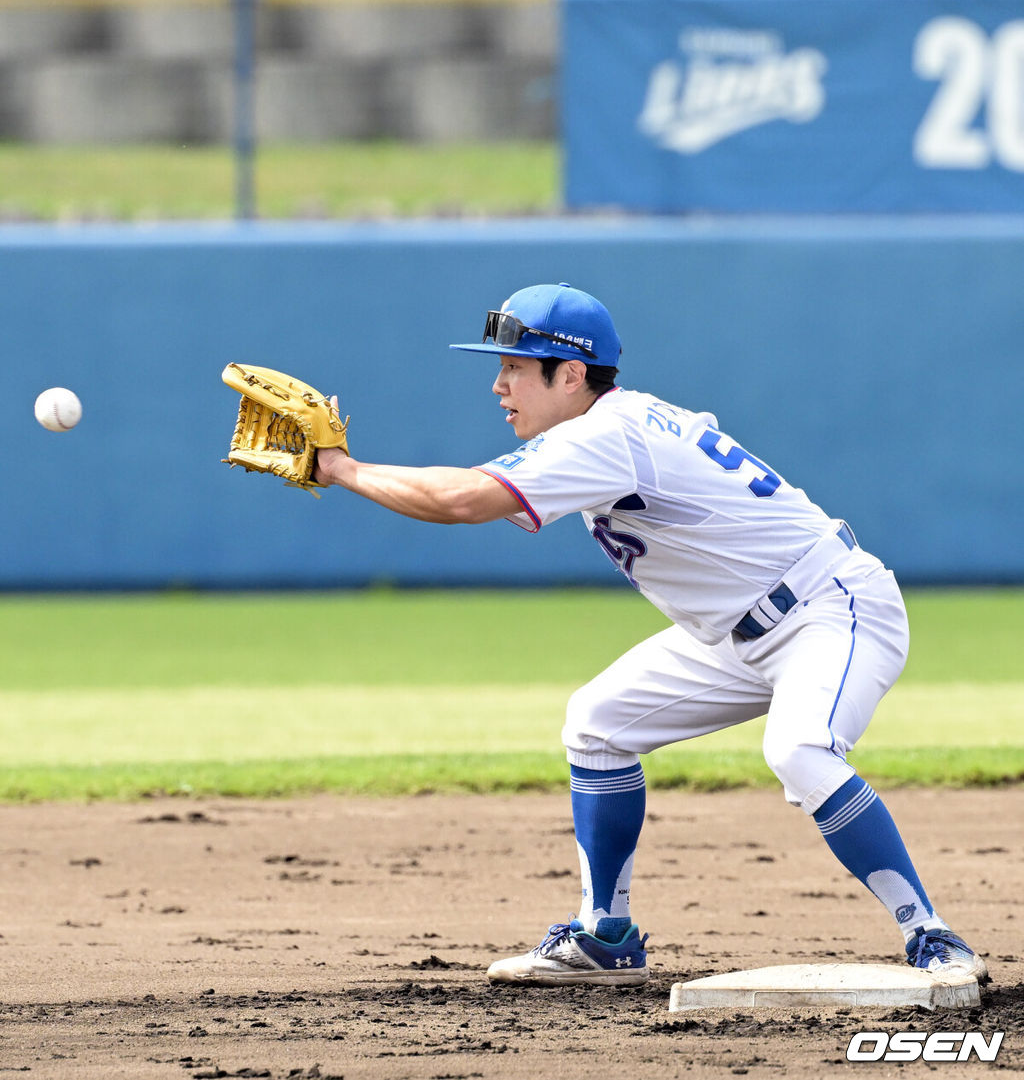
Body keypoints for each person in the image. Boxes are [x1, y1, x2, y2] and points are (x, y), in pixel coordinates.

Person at [313, 282, 986, 987]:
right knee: (599, 723)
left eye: (515, 367)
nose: (498, 383)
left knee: (800, 749)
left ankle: (933, 936)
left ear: (570, 375)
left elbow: (459, 501)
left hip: (832, 609)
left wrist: (342, 469)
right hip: (740, 630)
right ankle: (606, 935)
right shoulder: (619, 422)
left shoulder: (603, 435)